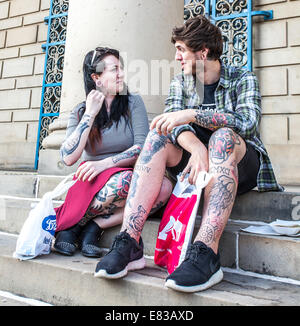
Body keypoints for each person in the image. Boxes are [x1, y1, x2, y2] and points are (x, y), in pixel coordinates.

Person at [94, 16, 282, 291]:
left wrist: (193, 114)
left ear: (203, 51)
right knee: (157, 133)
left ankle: (206, 251)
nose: (177, 56)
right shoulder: (181, 83)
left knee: (222, 138)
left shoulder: (243, 77)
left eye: (182, 49)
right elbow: (168, 124)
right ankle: (129, 240)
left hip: (240, 163)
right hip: (197, 162)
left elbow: (248, 123)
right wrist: (195, 148)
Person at [54, 47, 172, 258]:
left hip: (126, 172)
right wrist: (90, 114)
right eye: (114, 69)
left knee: (163, 188)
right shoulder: (80, 111)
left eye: (121, 68)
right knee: (128, 182)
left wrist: (105, 164)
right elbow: (68, 157)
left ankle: (93, 226)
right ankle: (72, 227)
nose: (121, 74)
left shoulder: (132, 103)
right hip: (90, 180)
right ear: (96, 78)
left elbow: (142, 148)